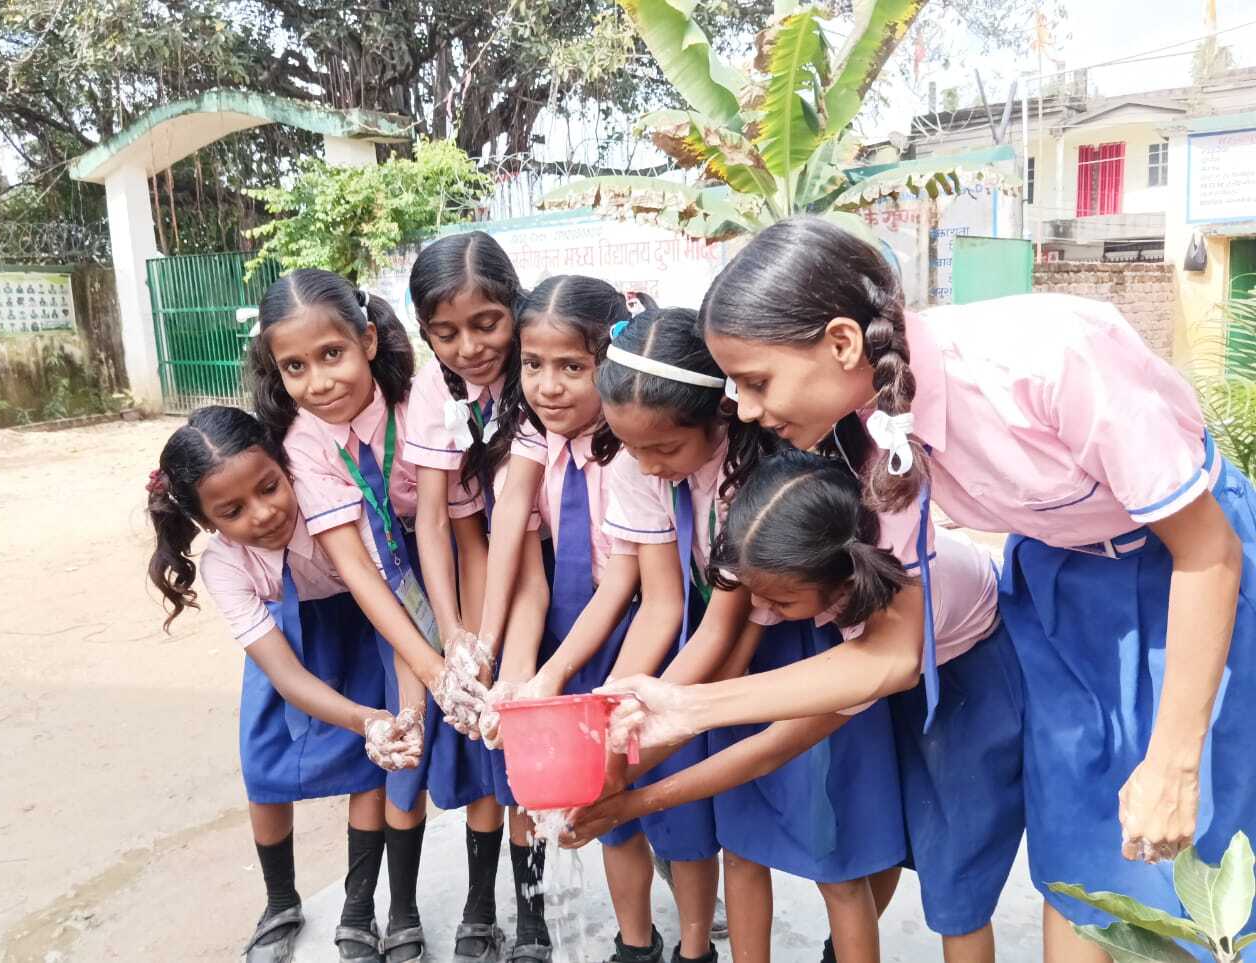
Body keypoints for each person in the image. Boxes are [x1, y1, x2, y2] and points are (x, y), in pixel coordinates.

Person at [601, 215, 1253, 961]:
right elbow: (889, 656)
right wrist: (684, 707)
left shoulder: (1052, 357)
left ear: (841, 343)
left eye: (756, 381)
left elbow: (1208, 548)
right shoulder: (875, 437)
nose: (745, 410)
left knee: (1199, 851)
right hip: (1058, 590)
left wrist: (1174, 759)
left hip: (1192, 578)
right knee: (1076, 854)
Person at [249, 269, 495, 963]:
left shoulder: (420, 402)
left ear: (367, 339)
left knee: (482, 740)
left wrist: (467, 643)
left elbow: (460, 534)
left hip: (454, 576)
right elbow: (359, 570)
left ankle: (483, 906)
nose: (319, 381)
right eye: (295, 367)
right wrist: (430, 671)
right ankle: (399, 909)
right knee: (404, 741)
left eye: (332, 354)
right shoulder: (300, 443)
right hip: (378, 598)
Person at [480, 279, 720, 963]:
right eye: (533, 364)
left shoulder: (636, 446)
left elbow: (639, 586)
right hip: (580, 633)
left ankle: (696, 945)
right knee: (604, 808)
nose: (548, 386)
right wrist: (522, 670)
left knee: (678, 810)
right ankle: (635, 942)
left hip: (651, 636)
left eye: (572, 366)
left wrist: (590, 686)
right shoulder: (534, 435)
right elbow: (524, 552)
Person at [147, 406, 413, 962]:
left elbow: (385, 592)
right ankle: (280, 901)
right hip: (284, 643)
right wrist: (362, 717)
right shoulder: (225, 565)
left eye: (269, 487)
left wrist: (376, 720)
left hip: (366, 626)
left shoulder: (330, 502)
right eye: (233, 510)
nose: (264, 513)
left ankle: (358, 909)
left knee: (371, 764)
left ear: (285, 466)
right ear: (205, 521)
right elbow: (286, 677)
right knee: (264, 766)